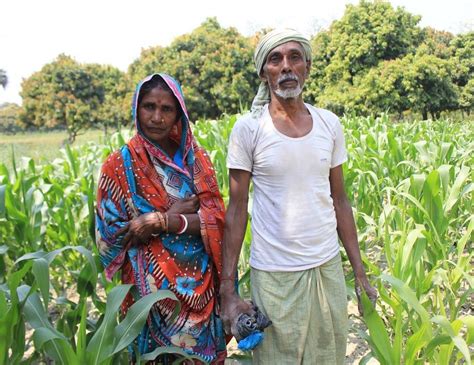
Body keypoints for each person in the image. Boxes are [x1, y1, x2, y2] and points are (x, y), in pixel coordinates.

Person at [219, 29, 377, 364]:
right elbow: (237, 210)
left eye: (295, 57)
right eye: (275, 59)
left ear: (307, 66)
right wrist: (228, 290)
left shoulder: (329, 124)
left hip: (326, 270)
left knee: (328, 357)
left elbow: (340, 201)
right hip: (275, 277)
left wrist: (360, 275)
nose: (286, 66)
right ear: (264, 72)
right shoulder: (248, 130)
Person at [96, 73, 227, 364]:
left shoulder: (195, 158)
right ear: (136, 109)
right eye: (149, 106)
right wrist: (167, 216)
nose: (157, 117)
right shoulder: (120, 165)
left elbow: (218, 219)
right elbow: (110, 236)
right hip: (149, 299)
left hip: (202, 290)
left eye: (166, 109)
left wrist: (162, 222)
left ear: (178, 113)